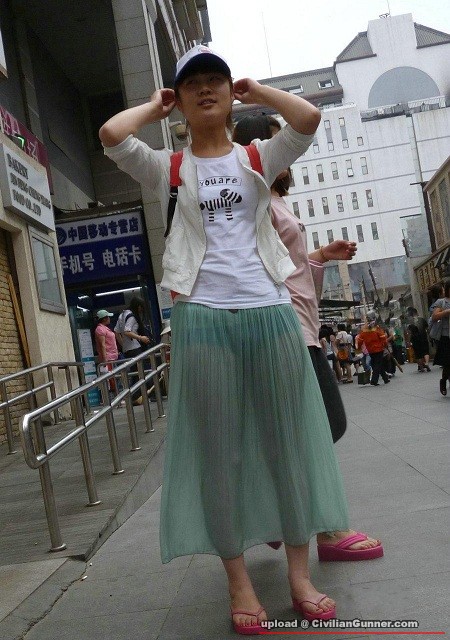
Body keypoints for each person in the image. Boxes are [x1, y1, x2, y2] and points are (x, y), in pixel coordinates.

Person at [100, 45, 349, 633]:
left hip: (270, 310)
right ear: (181, 100)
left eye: (216, 80)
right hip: (203, 317)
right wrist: (154, 107)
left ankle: (299, 575)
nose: (206, 89)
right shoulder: (170, 167)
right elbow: (111, 135)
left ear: (230, 94)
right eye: (194, 84)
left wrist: (257, 91)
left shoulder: (258, 156)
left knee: (289, 446)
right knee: (220, 453)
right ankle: (239, 582)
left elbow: (309, 118)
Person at [233, 114, 382, 567]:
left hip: (301, 328)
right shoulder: (253, 198)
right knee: (320, 426)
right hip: (286, 330)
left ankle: (278, 516)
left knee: (310, 429)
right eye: (277, 143)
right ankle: (324, 528)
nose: (288, 153)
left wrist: (319, 255)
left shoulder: (274, 199)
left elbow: (287, 266)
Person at [115, 297, 151, 404]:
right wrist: (141, 338)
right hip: (135, 348)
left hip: (127, 350)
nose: (141, 310)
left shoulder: (122, 314)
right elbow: (127, 331)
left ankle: (135, 397)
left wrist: (123, 345)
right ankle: (134, 397)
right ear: (138, 306)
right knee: (139, 374)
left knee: (135, 374)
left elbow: (116, 332)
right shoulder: (132, 316)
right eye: (141, 307)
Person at [430, 279, 450, 396]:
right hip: (446, 337)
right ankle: (443, 381)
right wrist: (446, 312)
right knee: (448, 363)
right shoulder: (441, 302)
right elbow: (434, 316)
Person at [95, 309, 119, 398]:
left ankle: (116, 397)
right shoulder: (100, 329)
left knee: (114, 378)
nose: (109, 318)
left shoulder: (105, 329)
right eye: (108, 317)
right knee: (111, 379)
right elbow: (102, 345)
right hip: (108, 358)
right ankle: (114, 397)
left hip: (113, 357)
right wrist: (105, 360)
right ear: (104, 318)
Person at [356, 321, 390, 385]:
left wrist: (359, 349)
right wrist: (385, 345)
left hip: (370, 350)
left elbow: (359, 341)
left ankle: (385, 379)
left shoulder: (363, 332)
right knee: (377, 364)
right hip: (379, 349)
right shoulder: (377, 330)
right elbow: (383, 338)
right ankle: (374, 380)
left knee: (377, 364)